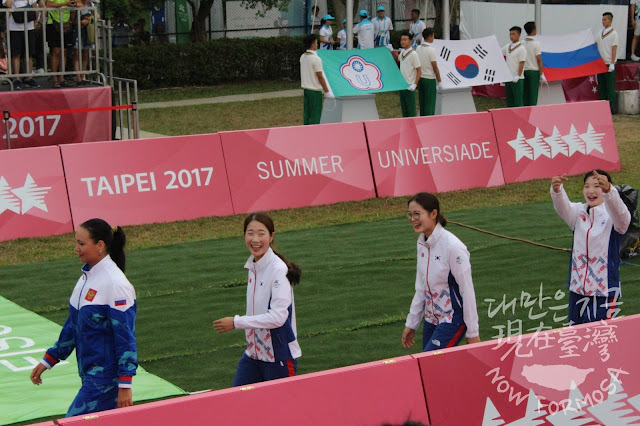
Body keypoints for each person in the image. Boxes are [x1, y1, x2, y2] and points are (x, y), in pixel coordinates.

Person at [30, 219, 137, 417]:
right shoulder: (86, 278)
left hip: (105, 379)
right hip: (90, 374)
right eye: (76, 243)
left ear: (100, 246)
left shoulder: (115, 284)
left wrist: (125, 384)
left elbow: (125, 337)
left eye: (81, 244)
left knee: (73, 421)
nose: (76, 249)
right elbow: (74, 324)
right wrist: (49, 359)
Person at [213, 212, 302, 387]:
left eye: (261, 233)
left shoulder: (278, 269)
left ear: (271, 236)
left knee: (282, 410)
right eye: (250, 233)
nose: (255, 239)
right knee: (238, 402)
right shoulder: (253, 266)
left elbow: (278, 317)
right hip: (253, 355)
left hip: (279, 356)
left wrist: (236, 322)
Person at [402, 193, 481, 352]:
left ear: (433, 214)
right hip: (431, 320)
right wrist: (412, 323)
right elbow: (421, 287)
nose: (412, 219)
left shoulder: (453, 247)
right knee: (431, 366)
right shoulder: (422, 243)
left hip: (453, 320)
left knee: (431, 363)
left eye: (417, 214)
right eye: (410, 215)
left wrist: (473, 333)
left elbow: (467, 291)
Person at [550, 170, 630, 325]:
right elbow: (562, 207)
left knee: (597, 337)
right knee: (575, 334)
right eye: (587, 186)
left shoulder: (614, 219)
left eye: (597, 186)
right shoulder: (578, 213)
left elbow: (623, 216)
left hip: (605, 291)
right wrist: (557, 190)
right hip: (577, 290)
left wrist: (609, 191)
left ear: (606, 189)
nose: (591, 191)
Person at [3, 0, 44, 89]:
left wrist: (35, 22)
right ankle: (16, 78)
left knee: (28, 54)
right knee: (16, 54)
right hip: (14, 28)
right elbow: (8, 4)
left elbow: (35, 7)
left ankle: (28, 77)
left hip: (29, 27)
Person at [299, 34, 333, 125]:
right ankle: (313, 133)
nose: (317, 45)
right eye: (316, 43)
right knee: (315, 114)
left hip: (306, 89)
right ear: (313, 44)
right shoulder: (316, 59)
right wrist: (327, 91)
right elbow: (320, 76)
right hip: (315, 90)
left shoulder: (302, 56)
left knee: (307, 113)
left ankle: (306, 130)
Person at [47, 0, 74, 88]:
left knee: (64, 51)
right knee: (56, 51)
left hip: (66, 23)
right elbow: (49, 4)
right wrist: (65, 4)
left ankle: (61, 78)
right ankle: (55, 79)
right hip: (54, 23)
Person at [416, 28, 442, 116]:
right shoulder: (431, 50)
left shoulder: (418, 48)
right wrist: (439, 80)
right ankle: (428, 119)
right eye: (433, 36)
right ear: (430, 37)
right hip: (429, 79)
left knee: (422, 101)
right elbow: (435, 67)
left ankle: (422, 119)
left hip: (421, 78)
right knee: (429, 103)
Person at [596, 12, 618, 114]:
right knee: (602, 86)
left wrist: (612, 63)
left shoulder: (614, 34)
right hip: (600, 63)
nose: (603, 21)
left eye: (605, 19)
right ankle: (602, 105)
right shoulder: (600, 32)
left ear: (610, 20)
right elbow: (596, 45)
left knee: (610, 86)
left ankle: (611, 107)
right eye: (602, 19)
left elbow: (614, 48)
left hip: (609, 62)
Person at [396, 31, 421, 117]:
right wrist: (391, 50)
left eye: (405, 40)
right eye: (401, 40)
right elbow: (398, 59)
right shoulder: (402, 52)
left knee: (410, 109)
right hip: (402, 84)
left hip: (409, 84)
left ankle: (412, 126)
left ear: (410, 41)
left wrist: (415, 84)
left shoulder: (414, 54)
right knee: (404, 109)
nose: (402, 41)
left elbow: (419, 70)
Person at [522, 21, 546, 106]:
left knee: (525, 94)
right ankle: (532, 112)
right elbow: (539, 59)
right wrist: (541, 73)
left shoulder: (522, 43)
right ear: (533, 30)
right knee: (533, 96)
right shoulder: (536, 43)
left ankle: (525, 111)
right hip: (533, 72)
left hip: (523, 71)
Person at [502, 26, 526, 107]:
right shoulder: (507, 47)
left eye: (513, 34)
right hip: (508, 77)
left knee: (518, 100)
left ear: (519, 35)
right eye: (510, 34)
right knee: (509, 99)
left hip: (517, 79)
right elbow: (499, 52)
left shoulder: (522, 48)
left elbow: (521, 63)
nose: (511, 36)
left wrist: (518, 76)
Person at [72, 0, 93, 85]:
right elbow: (72, 20)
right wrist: (80, 22)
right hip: (78, 31)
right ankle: (78, 78)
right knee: (77, 53)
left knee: (85, 54)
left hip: (87, 32)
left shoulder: (90, 4)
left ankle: (82, 76)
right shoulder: (75, 5)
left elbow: (97, 16)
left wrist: (89, 20)